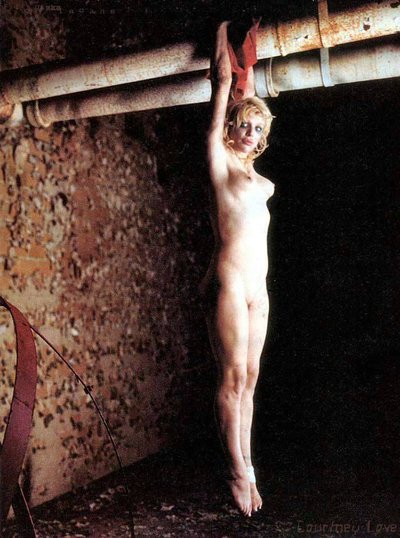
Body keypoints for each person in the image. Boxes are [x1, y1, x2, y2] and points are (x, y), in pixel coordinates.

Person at [199, 21, 274, 517]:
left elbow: (247, 95)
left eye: (258, 128)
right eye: (244, 125)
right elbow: (224, 84)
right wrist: (222, 33)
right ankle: (234, 471)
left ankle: (247, 465)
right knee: (230, 378)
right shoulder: (219, 159)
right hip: (228, 279)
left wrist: (251, 76)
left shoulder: (257, 177)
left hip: (256, 288)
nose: (251, 133)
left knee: (250, 378)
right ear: (231, 126)